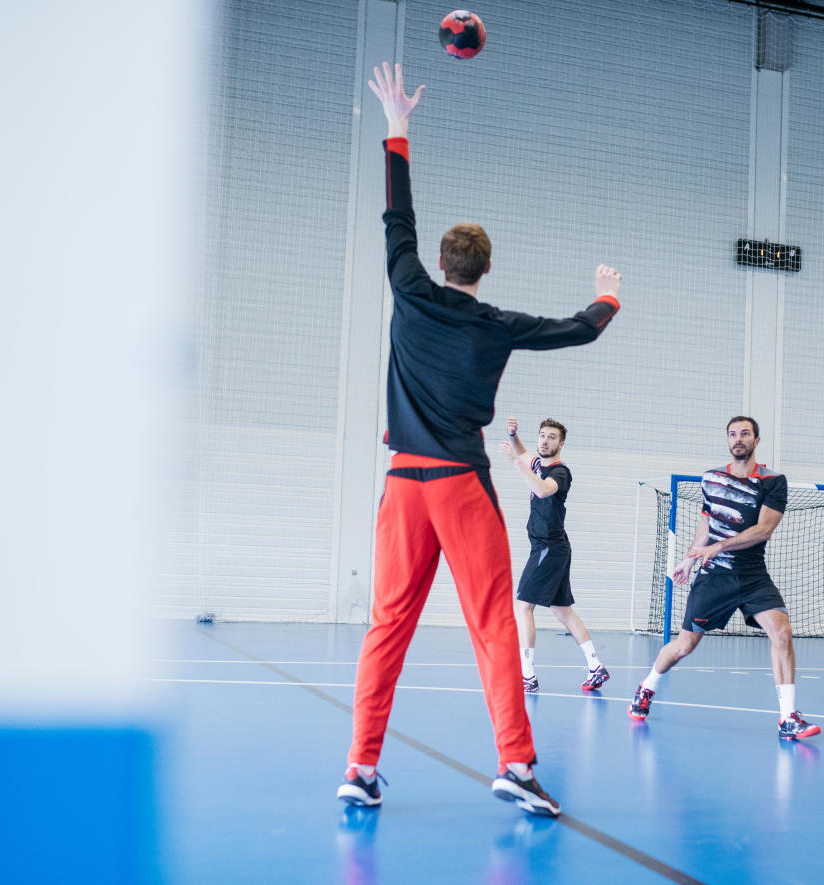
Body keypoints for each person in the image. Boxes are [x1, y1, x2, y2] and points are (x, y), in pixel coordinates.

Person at [337, 63, 621, 816]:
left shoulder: (408, 287)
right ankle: (516, 765)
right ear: (486, 268)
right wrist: (608, 296)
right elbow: (578, 330)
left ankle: (359, 767)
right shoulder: (496, 324)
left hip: (402, 487)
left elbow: (397, 219)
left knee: (386, 626)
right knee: (495, 623)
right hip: (461, 486)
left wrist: (398, 127)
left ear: (439, 263)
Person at [627, 416, 821, 741]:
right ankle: (647, 686)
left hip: (752, 574)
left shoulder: (773, 481)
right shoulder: (711, 478)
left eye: (745, 433)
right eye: (732, 434)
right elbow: (706, 524)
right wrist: (689, 561)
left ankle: (788, 717)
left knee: (782, 632)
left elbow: (764, 530)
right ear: (727, 440)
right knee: (684, 645)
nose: (738, 439)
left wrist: (719, 547)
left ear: (756, 440)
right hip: (713, 578)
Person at [497, 417, 609, 693]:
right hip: (553, 547)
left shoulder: (560, 472)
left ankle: (527, 677)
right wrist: (513, 436)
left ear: (561, 443)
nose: (545, 441)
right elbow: (524, 453)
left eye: (551, 437)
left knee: (523, 606)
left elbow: (542, 489)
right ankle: (596, 667)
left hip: (549, 547)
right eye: (542, 436)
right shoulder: (538, 464)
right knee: (562, 611)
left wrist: (515, 462)